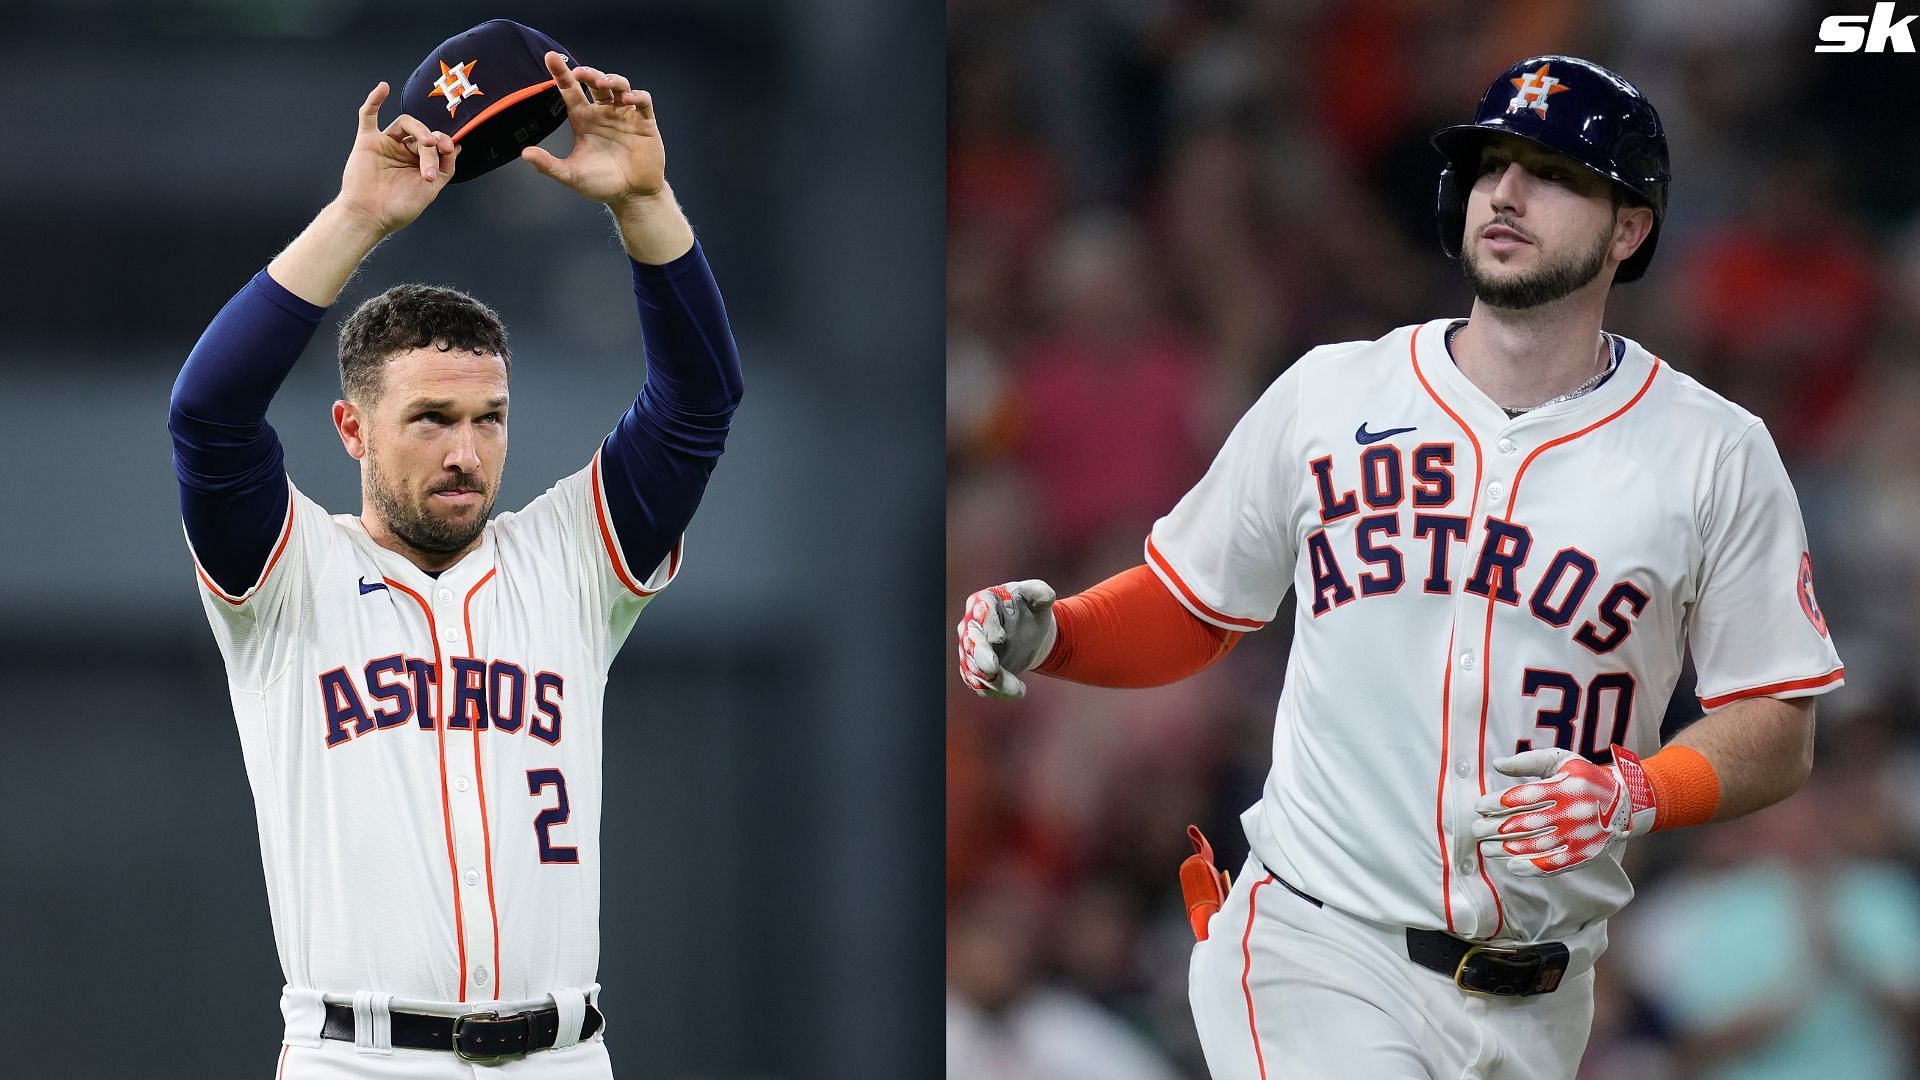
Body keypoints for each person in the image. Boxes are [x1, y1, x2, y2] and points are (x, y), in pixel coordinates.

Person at [956, 55, 1843, 1080]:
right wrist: (1063, 633)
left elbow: (1778, 724)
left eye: (1553, 174)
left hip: (1541, 997)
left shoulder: (1713, 451)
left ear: (1629, 227)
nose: (1506, 193)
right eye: (1491, 164)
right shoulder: (1332, 393)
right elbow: (1196, 603)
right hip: (1318, 946)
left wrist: (1639, 791)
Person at [168, 49, 741, 1077]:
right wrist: (358, 220)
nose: (466, 451)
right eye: (430, 418)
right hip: (360, 1056)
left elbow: (698, 402)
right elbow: (208, 415)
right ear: (351, 426)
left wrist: (646, 203)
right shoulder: (285, 577)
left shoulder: (570, 561)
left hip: (563, 1052)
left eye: (489, 419)